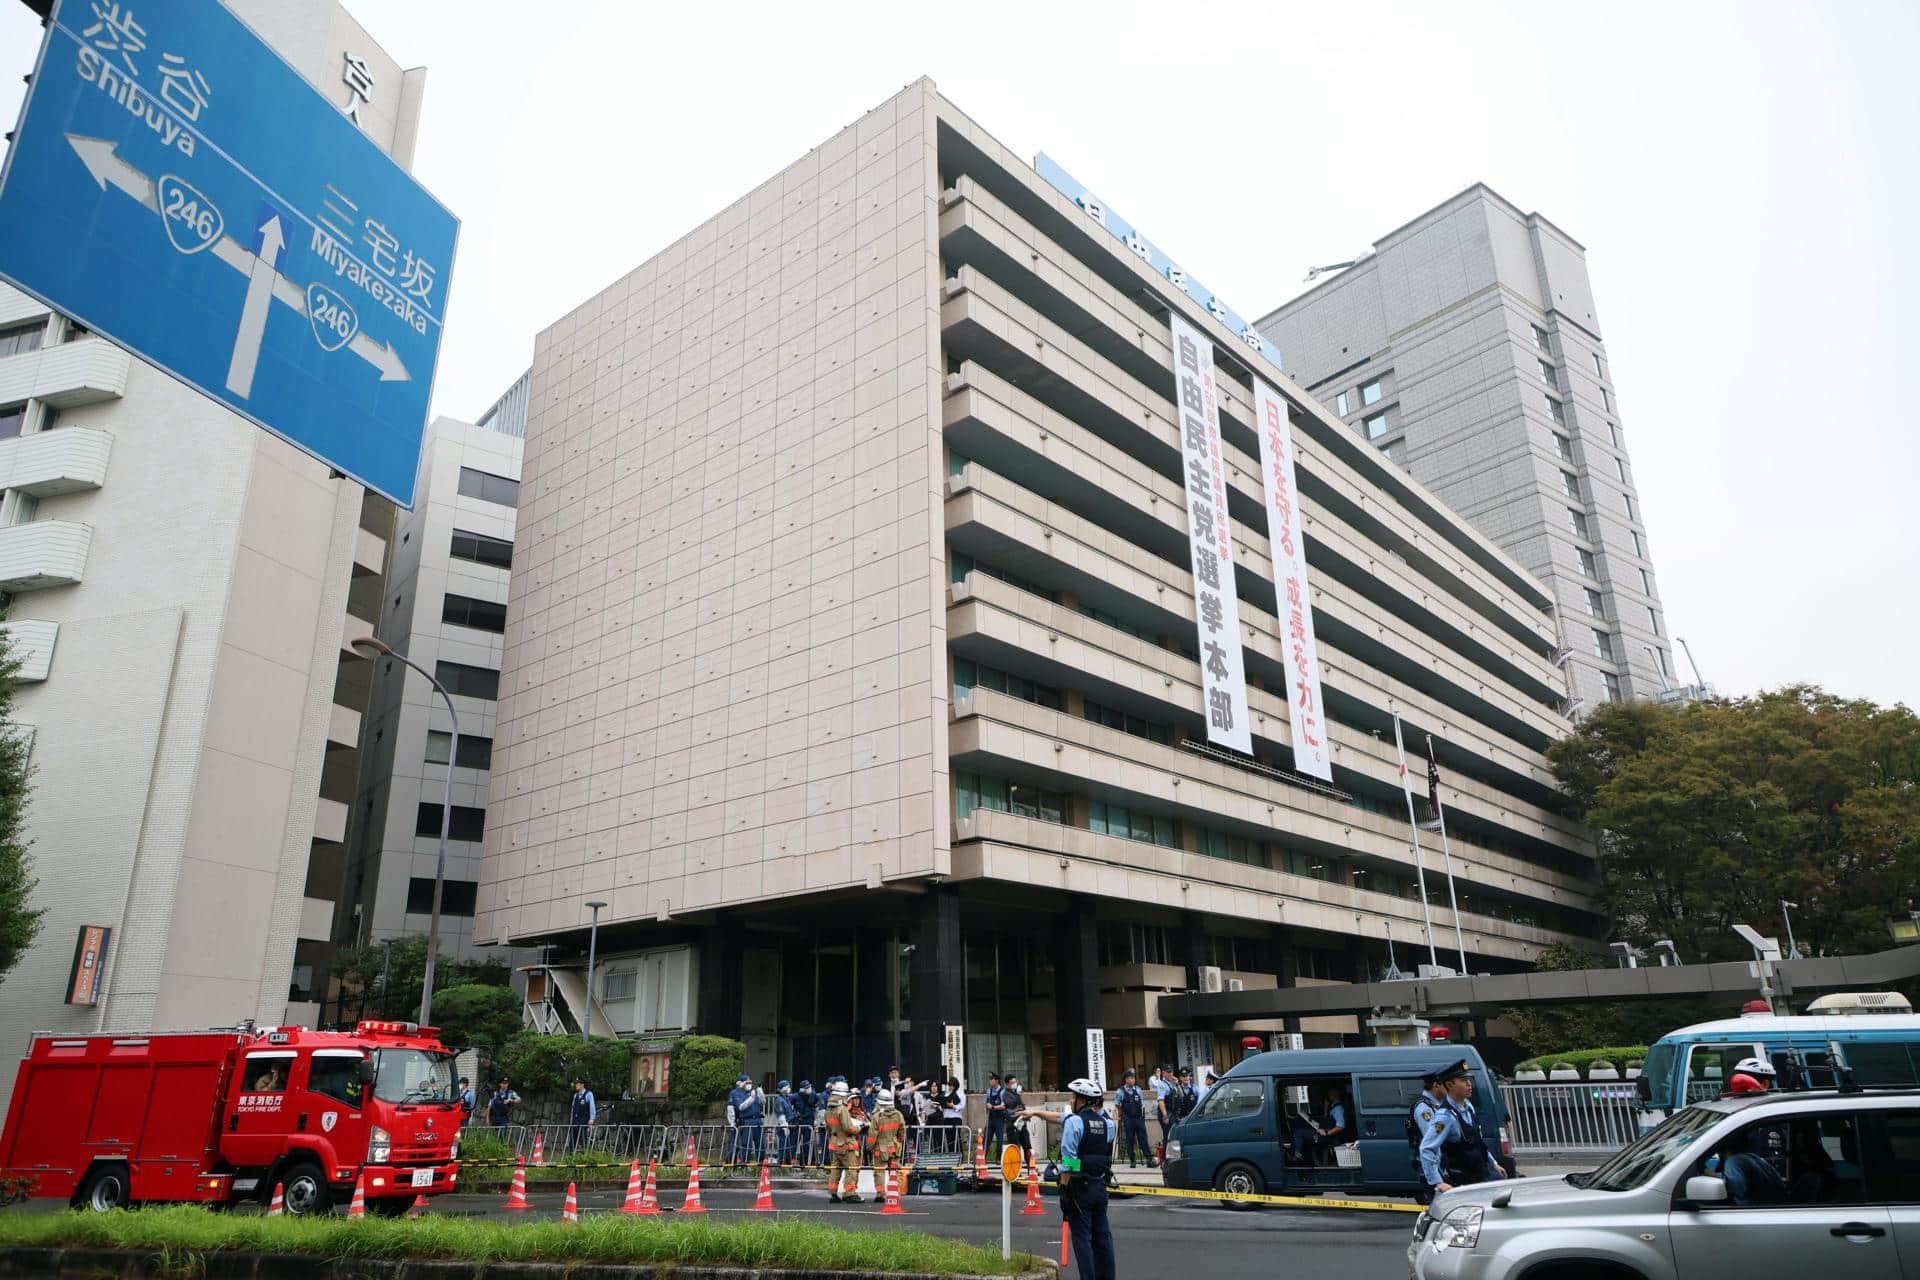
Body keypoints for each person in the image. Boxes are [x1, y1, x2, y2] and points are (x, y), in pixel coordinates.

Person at [1057, 1078, 1118, 1280]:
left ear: (1082, 1100)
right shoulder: (1108, 1125)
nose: (1071, 1099)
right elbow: (1099, 1155)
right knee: (1103, 1240)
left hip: (1080, 1190)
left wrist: (1064, 1192)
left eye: (1073, 1097)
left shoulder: (1075, 1122)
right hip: (1100, 1188)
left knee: (1082, 1240)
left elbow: (1069, 1161)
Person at [1418, 1060, 1508, 1196]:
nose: (1469, 1084)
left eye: (1469, 1080)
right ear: (1449, 1085)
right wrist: (1437, 1182)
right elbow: (1427, 1148)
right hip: (1464, 1182)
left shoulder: (1468, 1106)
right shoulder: (1444, 1117)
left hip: (1481, 1174)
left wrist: (1493, 1163)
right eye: (1463, 1080)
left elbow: (1477, 1141)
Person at [1406, 1067, 1450, 1198]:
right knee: (1439, 1207)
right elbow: (1432, 1142)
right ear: (1436, 1085)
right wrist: (1438, 1176)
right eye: (1446, 1085)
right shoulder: (1425, 1108)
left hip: (1441, 1166)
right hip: (1433, 1167)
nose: (1449, 1088)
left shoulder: (1436, 1105)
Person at [823, 1081, 867, 1202]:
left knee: (836, 1169)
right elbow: (848, 1127)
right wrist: (860, 1128)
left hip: (835, 1143)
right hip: (847, 1144)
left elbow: (828, 1127)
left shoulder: (828, 1109)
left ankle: (833, 1193)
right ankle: (850, 1194)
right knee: (852, 1169)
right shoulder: (842, 1109)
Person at [867, 1088, 908, 1190]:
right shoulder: (898, 1114)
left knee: (879, 1172)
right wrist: (898, 1141)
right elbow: (902, 1131)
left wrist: (869, 1147)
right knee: (894, 1171)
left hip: (880, 1149)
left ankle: (880, 1194)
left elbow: (872, 1135)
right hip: (894, 1147)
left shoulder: (877, 1116)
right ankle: (895, 1191)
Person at [1115, 1069, 1154, 1168]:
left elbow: (1141, 1103)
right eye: (1131, 1078)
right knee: (1130, 1139)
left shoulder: (1138, 1090)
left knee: (1143, 1138)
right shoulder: (1120, 1091)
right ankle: (1132, 1160)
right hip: (1128, 1118)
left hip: (1138, 1117)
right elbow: (1117, 1104)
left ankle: (1149, 1159)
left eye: (1133, 1078)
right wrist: (1121, 1114)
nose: (1133, 1080)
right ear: (1126, 1079)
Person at [727, 1073, 764, 1166]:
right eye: (747, 1082)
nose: (749, 1084)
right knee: (746, 1145)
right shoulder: (735, 1093)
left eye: (750, 1082)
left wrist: (761, 1094)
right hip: (746, 1121)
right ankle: (743, 1165)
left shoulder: (752, 1092)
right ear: (741, 1083)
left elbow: (762, 1102)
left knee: (760, 1145)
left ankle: (762, 1165)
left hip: (757, 1121)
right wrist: (732, 1123)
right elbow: (740, 1107)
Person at [1003, 1075, 1034, 1167]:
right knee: (1015, 1148)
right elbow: (1010, 1110)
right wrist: (1019, 1109)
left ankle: (1031, 1166)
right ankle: (1015, 1168)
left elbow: (1022, 1107)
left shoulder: (1016, 1093)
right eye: (1012, 1083)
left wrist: (1019, 1107)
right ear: (1007, 1084)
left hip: (1021, 1124)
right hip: (1012, 1126)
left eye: (1015, 1082)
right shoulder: (1006, 1094)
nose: (1015, 1084)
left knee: (1027, 1146)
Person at [792, 1079, 819, 1167]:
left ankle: (806, 1162)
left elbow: (818, 1105)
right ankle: (791, 1160)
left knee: (807, 1143)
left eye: (809, 1087)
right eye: (807, 1088)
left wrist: (816, 1119)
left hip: (809, 1121)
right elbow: (790, 1107)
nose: (809, 1089)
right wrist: (794, 1114)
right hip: (798, 1122)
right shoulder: (795, 1096)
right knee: (794, 1142)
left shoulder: (813, 1095)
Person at [984, 1073, 1010, 1158]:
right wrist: (986, 1106)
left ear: (996, 1081)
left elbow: (1004, 1106)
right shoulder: (989, 1091)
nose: (990, 1081)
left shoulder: (1003, 1092)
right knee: (987, 1138)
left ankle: (999, 1158)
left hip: (999, 1119)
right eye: (989, 1079)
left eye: (991, 1080)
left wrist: (993, 1107)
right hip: (990, 1118)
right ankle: (982, 1157)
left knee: (1000, 1139)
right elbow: (986, 1102)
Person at [568, 1078, 597, 1154]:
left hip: (583, 1119)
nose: (576, 1086)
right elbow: (573, 1108)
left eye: (577, 1085)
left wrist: (592, 1119)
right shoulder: (575, 1095)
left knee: (583, 1138)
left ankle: (584, 1155)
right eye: (576, 1085)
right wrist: (571, 1119)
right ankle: (571, 1155)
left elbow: (592, 1107)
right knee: (572, 1139)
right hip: (575, 1120)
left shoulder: (588, 1094)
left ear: (582, 1085)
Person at [772, 1080, 796, 1166]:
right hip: (784, 1125)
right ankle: (782, 1162)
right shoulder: (779, 1100)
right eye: (787, 1087)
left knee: (789, 1145)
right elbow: (781, 1115)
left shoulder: (786, 1098)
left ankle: (787, 1162)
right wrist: (785, 1127)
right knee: (783, 1145)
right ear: (783, 1088)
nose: (789, 1088)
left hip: (790, 1124)